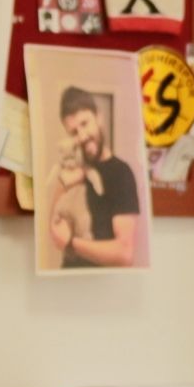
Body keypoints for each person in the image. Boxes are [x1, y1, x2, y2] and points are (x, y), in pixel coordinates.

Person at [48, 86, 141, 269]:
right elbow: (55, 231)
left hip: (101, 283)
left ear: (99, 118)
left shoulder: (120, 173)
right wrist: (63, 183)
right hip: (67, 280)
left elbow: (125, 254)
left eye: (85, 123)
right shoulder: (70, 171)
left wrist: (72, 244)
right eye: (74, 132)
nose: (82, 136)